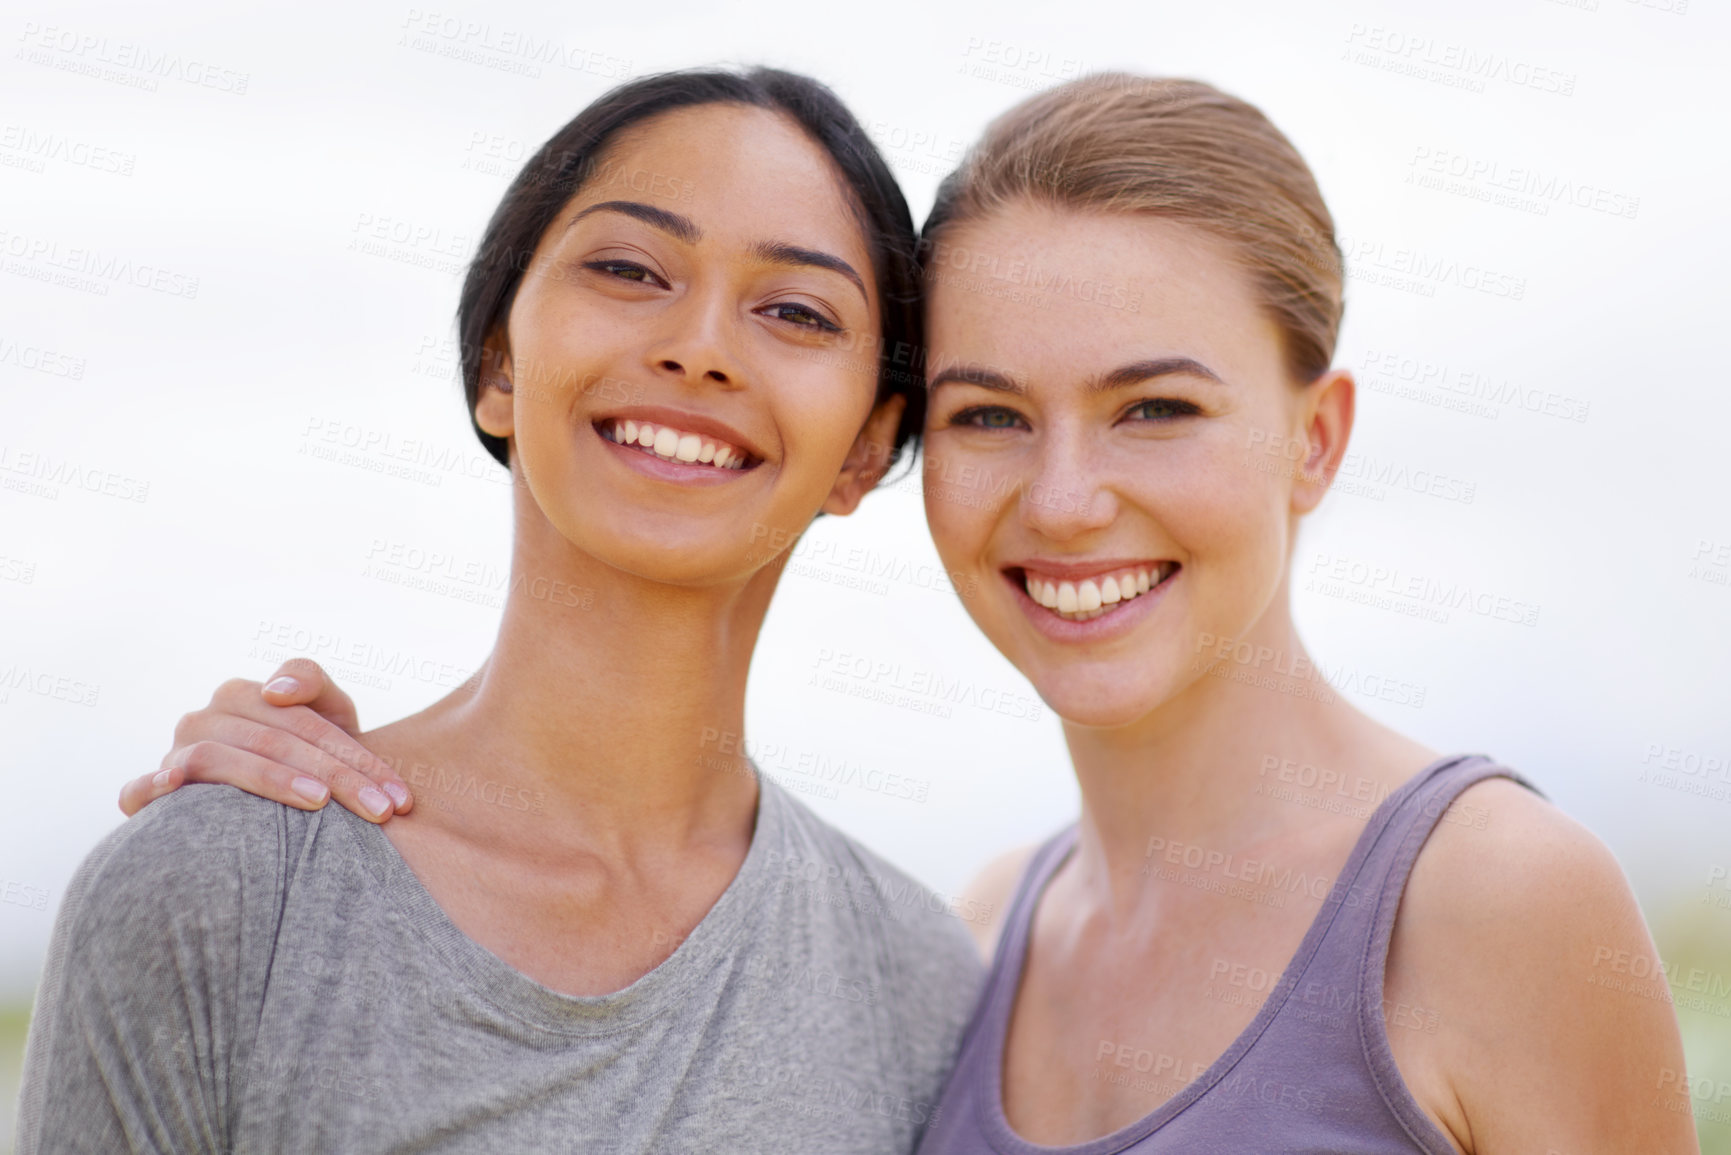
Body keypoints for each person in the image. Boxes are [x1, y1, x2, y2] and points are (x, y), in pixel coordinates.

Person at [107, 75, 1696, 1154]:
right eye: (991, 414)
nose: (1064, 499)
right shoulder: (978, 943)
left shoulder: (1495, 899)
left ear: (1315, 439)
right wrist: (237, 848)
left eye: (1153, 408)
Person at [17, 67, 982, 1155]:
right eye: (627, 267)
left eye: (797, 312)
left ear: (864, 446)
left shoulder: (920, 981)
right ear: (499, 368)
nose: (701, 345)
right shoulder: (220, 892)